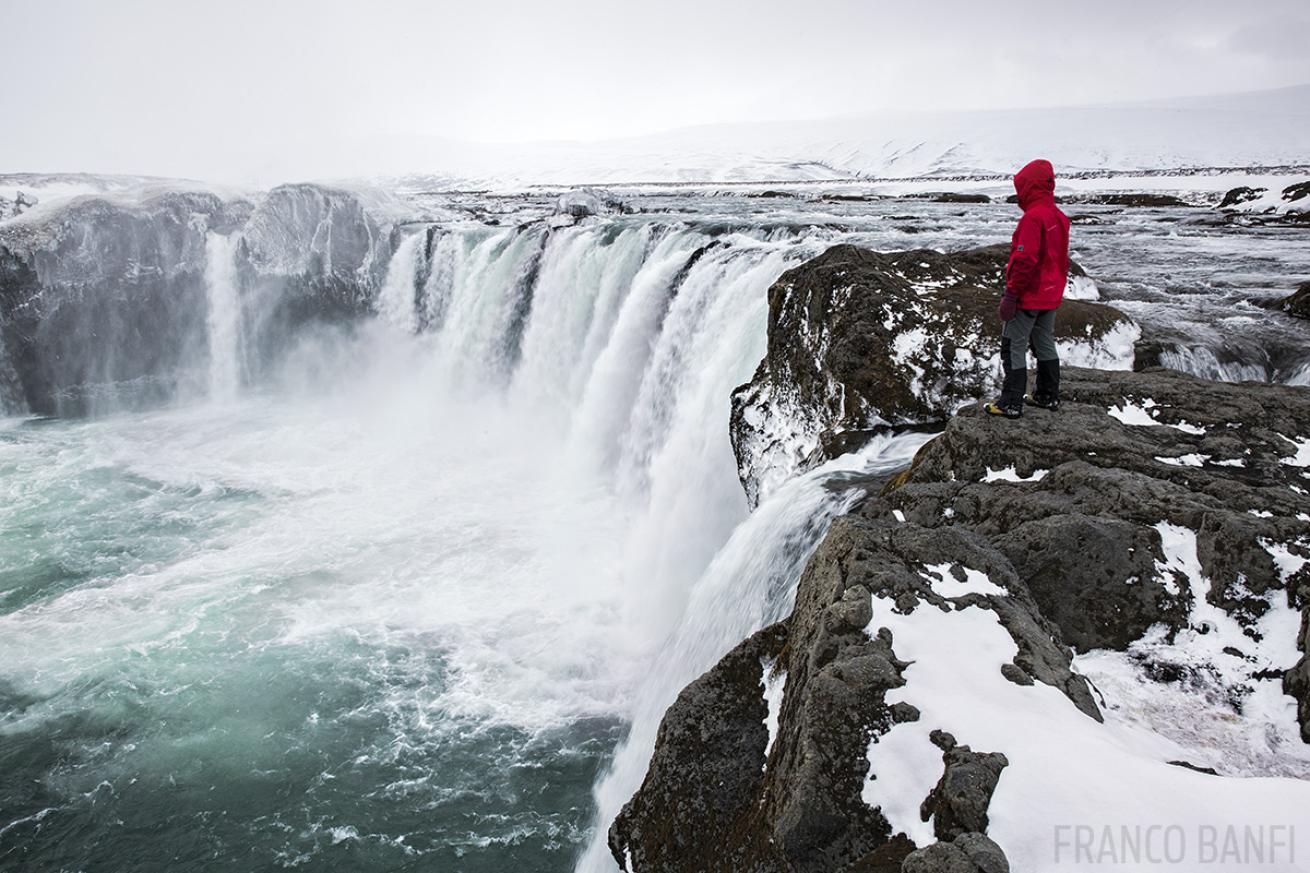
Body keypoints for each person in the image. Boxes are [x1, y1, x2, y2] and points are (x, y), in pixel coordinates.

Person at [984, 158, 1071, 419]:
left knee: (1013, 345)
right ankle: (1047, 395)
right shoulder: (1059, 217)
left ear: (1028, 187)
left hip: (1029, 296)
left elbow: (1024, 260)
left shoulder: (1033, 219)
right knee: (1044, 341)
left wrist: (1011, 294)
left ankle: (1011, 402)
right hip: (1051, 295)